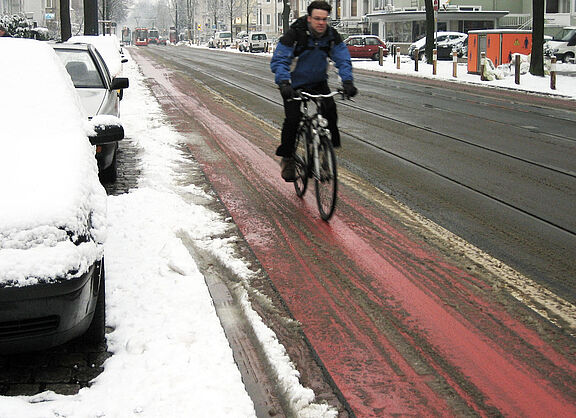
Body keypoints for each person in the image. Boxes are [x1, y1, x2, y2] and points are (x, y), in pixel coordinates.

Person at [270, 0, 357, 182]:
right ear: (309, 18)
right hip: (293, 83)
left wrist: (348, 81)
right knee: (293, 120)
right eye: (317, 18)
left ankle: (326, 153)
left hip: (318, 82)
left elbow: (342, 58)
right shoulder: (295, 34)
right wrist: (284, 83)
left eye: (324, 19)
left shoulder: (331, 35)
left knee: (330, 113)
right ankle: (288, 158)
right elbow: (280, 60)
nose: (321, 23)